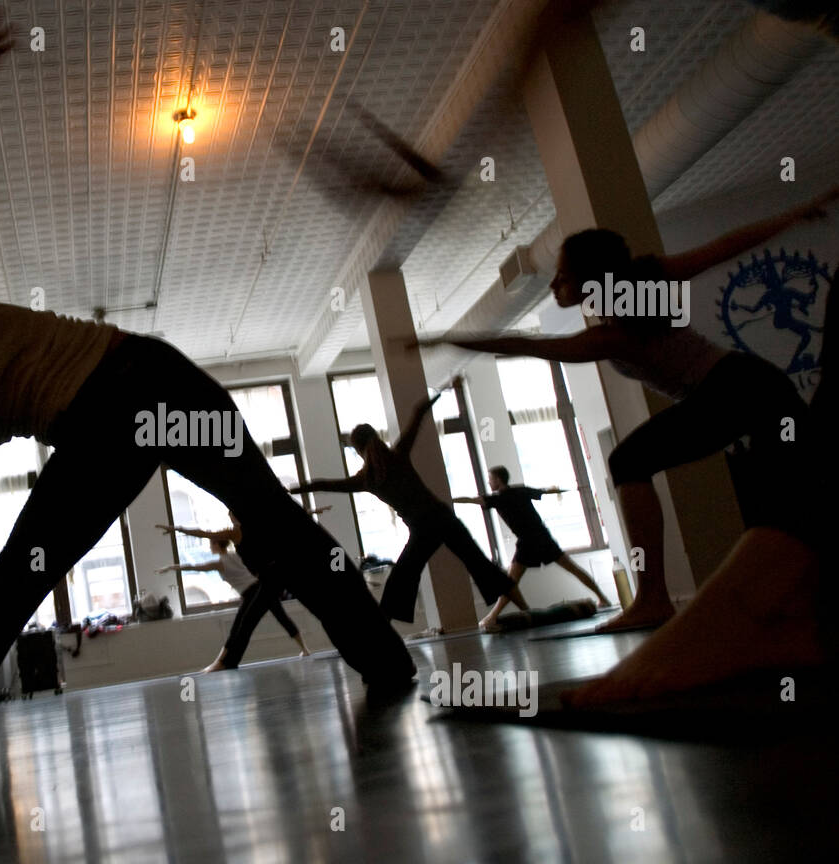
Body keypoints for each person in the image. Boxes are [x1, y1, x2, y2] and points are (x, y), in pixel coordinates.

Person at [0, 17, 416, 776]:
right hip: (143, 383)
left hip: (116, 411)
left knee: (11, 595)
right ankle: (388, 661)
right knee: (273, 522)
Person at [418, 190, 836, 634]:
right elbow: (530, 344)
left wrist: (790, 215)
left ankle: (655, 598)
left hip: (739, 389)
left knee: (631, 461)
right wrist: (791, 216)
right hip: (747, 391)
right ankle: (788, 601)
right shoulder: (628, 308)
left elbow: (724, 248)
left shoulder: (625, 318)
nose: (554, 285)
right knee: (774, 498)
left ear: (591, 279)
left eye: (562, 276)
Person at [290, 383, 528, 627]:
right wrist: (437, 393)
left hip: (422, 527)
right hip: (441, 517)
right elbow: (417, 415)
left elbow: (323, 484)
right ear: (376, 438)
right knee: (479, 563)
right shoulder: (397, 455)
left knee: (403, 576)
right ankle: (527, 611)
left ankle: (383, 629)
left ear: (358, 449)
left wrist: (291, 489)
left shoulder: (366, 479)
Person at [453, 466, 610, 628]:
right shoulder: (521, 490)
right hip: (542, 536)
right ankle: (603, 598)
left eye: (490, 478)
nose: (488, 481)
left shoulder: (498, 498)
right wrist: (569, 489)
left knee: (509, 583)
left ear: (498, 480)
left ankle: (497, 616)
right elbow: (545, 491)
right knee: (572, 568)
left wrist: (449, 499)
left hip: (528, 542)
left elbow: (471, 500)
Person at [157, 526, 312, 671]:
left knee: (242, 627)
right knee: (278, 618)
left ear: (217, 544)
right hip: (259, 589)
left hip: (252, 593)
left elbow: (194, 567)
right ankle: (304, 649)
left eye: (211, 544)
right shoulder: (236, 554)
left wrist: (173, 567)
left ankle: (221, 662)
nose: (210, 547)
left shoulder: (220, 562)